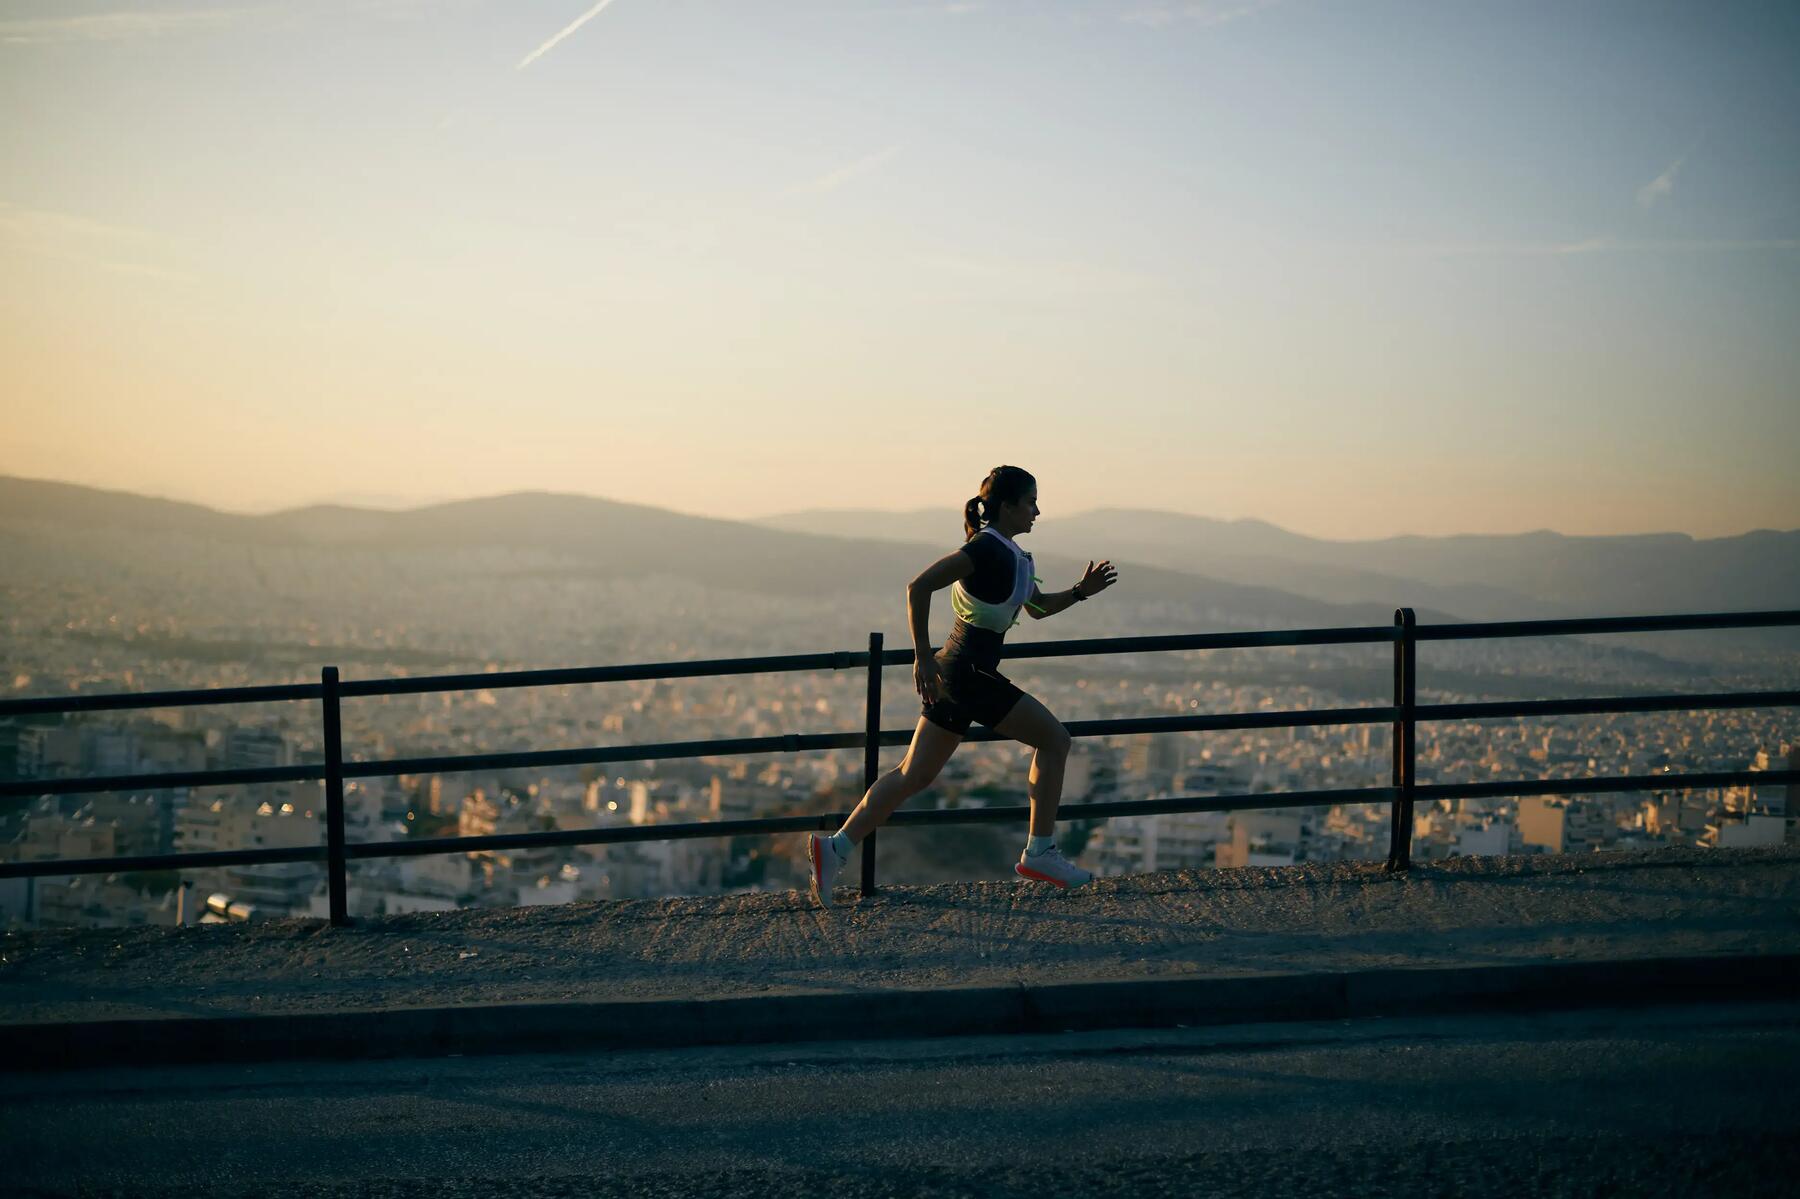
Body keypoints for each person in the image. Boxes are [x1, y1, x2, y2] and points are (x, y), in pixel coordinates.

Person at [807, 465, 1118, 907]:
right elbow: (918, 587)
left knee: (913, 775)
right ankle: (1039, 852)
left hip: (959, 674)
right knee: (1055, 741)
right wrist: (920, 656)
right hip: (969, 675)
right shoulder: (985, 550)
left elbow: (1037, 608)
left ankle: (834, 847)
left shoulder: (1012, 555)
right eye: (1030, 502)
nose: (1037, 511)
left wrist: (1080, 592)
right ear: (1007, 507)